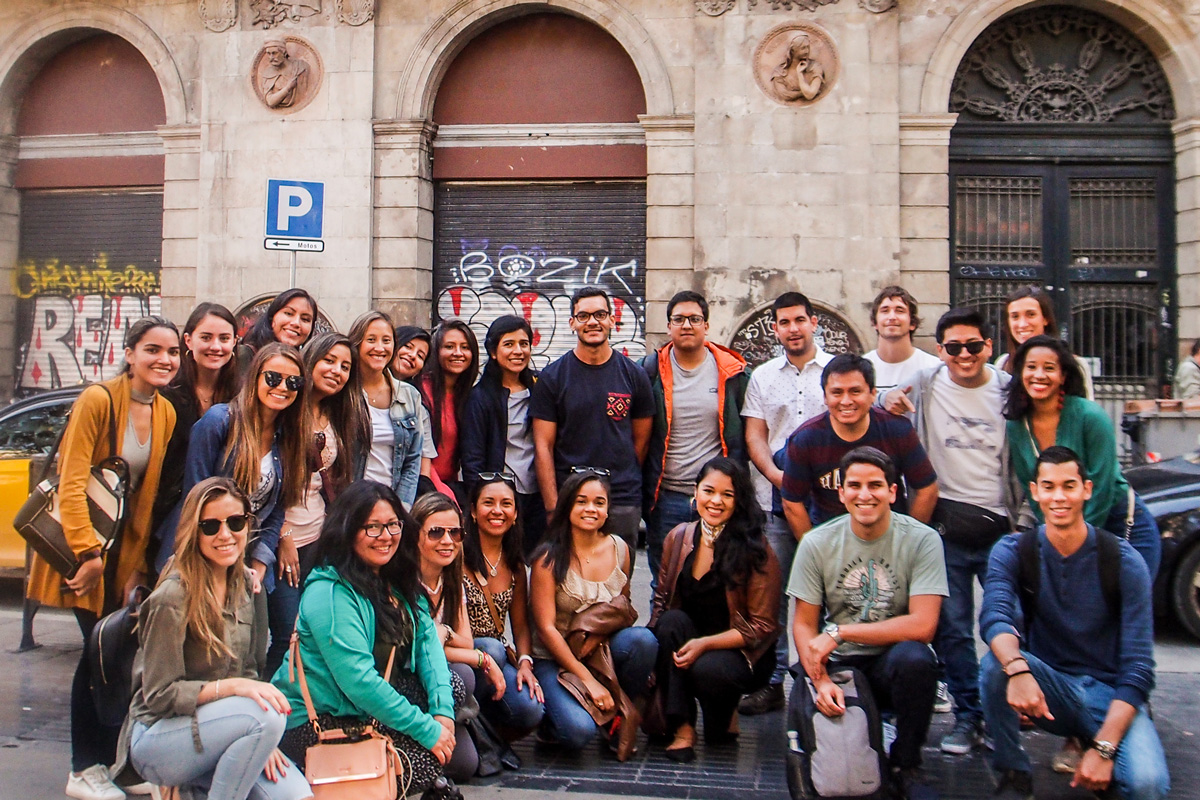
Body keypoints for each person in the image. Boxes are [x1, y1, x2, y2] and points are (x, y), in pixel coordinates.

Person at [27, 317, 180, 800]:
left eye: (172, 352)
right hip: (83, 551)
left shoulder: (165, 413)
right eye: (153, 349)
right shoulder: (98, 400)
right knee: (96, 657)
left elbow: (147, 496)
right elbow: (72, 482)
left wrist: (134, 566)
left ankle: (119, 767)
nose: (164, 360)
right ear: (131, 353)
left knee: (117, 658)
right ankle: (82, 769)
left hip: (122, 558)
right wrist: (88, 556)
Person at [979, 447, 1168, 800]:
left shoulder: (1124, 562)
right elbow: (994, 616)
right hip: (1048, 688)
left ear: (1087, 489)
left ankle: (1105, 771)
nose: (1059, 497)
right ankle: (1013, 775)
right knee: (995, 666)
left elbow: (1138, 668)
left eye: (1069, 486)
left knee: (1148, 785)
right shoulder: (1013, 550)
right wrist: (1018, 670)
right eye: (1048, 487)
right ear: (1034, 492)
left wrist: (1105, 749)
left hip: (1108, 694)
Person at [112, 478, 312, 800]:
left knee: (297, 795)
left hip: (227, 728)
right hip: (159, 736)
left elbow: (250, 671)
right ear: (194, 530)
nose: (225, 535)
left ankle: (192, 789)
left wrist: (262, 739)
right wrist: (238, 697)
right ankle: (182, 783)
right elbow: (160, 695)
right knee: (266, 716)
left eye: (235, 522)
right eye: (210, 526)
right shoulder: (172, 597)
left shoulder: (249, 586)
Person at [879, 308, 1023, 756]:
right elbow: (882, 403)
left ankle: (1006, 718)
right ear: (939, 351)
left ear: (989, 347)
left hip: (1002, 524)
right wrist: (887, 404)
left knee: (1008, 625)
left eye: (974, 346)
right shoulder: (926, 385)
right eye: (954, 347)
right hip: (945, 526)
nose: (965, 355)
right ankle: (968, 717)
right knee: (954, 628)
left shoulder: (1008, 390)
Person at [272, 480, 462, 796]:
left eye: (392, 525)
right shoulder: (329, 592)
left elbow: (428, 642)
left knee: (453, 686)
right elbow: (359, 681)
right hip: (316, 718)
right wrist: (428, 731)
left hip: (362, 707)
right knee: (427, 761)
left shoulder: (394, 577)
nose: (385, 536)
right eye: (372, 528)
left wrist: (442, 713)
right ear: (347, 530)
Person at [789, 447, 946, 800]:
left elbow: (924, 625)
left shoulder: (923, 540)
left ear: (893, 491)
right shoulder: (816, 543)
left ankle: (907, 764)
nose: (864, 494)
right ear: (841, 493)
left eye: (875, 485)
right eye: (854, 486)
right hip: (842, 663)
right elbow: (803, 624)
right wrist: (820, 678)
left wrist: (841, 631)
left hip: (892, 658)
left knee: (917, 660)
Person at [649, 458, 780, 762]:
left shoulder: (755, 547)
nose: (716, 501)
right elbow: (661, 600)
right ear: (695, 492)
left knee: (710, 678)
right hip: (690, 638)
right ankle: (683, 728)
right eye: (709, 491)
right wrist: (653, 651)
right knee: (669, 623)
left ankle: (725, 709)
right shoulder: (678, 537)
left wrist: (704, 644)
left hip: (742, 651)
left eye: (728, 494)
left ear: (739, 501)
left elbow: (762, 627)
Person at [739, 290, 833, 715]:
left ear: (814, 323)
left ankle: (826, 679)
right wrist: (779, 477)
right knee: (774, 595)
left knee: (831, 591)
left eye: (799, 320)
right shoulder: (762, 377)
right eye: (784, 322)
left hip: (830, 505)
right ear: (774, 328)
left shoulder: (835, 371)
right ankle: (775, 681)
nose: (792, 329)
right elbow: (756, 436)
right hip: (774, 500)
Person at [1003, 335, 1161, 578]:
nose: (1039, 375)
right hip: (1063, 528)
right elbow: (1033, 491)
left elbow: (1101, 487)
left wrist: (1076, 542)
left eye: (1049, 368)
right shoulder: (1016, 425)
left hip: (1118, 522)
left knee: (1126, 608)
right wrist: (1055, 537)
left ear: (1063, 376)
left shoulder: (1090, 416)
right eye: (1031, 367)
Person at [529, 471, 658, 753]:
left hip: (600, 652)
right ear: (567, 507)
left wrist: (596, 660)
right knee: (578, 732)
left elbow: (620, 612)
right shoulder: (547, 558)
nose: (591, 509)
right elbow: (546, 630)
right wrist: (587, 680)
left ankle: (617, 715)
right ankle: (554, 721)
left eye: (599, 502)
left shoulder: (620, 549)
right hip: (554, 659)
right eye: (581, 501)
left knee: (643, 642)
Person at [265, 332, 370, 677]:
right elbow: (259, 483)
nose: (337, 371)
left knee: (312, 635)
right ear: (310, 359)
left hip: (320, 539)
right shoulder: (283, 409)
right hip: (281, 541)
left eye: (345, 366)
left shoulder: (338, 415)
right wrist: (281, 536)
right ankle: (274, 716)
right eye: (329, 360)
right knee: (285, 634)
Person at [531, 288, 655, 557]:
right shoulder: (553, 378)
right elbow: (543, 446)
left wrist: (622, 472)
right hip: (570, 500)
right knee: (568, 587)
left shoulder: (635, 376)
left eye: (600, 314)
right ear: (572, 323)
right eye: (584, 315)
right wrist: (554, 507)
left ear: (612, 320)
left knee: (618, 588)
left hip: (621, 499)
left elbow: (641, 440)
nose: (592, 322)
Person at [182, 343, 310, 600]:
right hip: (201, 556)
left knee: (268, 633)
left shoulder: (290, 438)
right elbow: (194, 499)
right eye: (273, 378)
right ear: (255, 378)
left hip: (248, 553)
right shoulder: (219, 421)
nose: (283, 388)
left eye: (293, 382)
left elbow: (276, 511)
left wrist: (260, 564)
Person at [642, 291, 749, 596]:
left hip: (718, 500)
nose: (686, 325)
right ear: (669, 327)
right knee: (665, 586)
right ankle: (665, 643)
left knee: (722, 584)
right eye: (679, 319)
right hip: (666, 498)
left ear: (706, 325)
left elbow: (748, 432)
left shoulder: (732, 374)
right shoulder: (648, 371)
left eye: (694, 319)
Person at [780, 354, 938, 535]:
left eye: (855, 391)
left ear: (872, 394)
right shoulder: (805, 440)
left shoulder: (897, 430)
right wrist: (814, 550)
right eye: (837, 392)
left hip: (890, 537)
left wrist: (909, 541)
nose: (846, 401)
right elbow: (792, 502)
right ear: (825, 396)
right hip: (831, 539)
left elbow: (927, 489)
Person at [152, 302, 240, 574]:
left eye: (224, 339)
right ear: (188, 340)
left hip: (220, 528)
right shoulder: (167, 396)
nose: (216, 346)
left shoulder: (240, 398)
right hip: (168, 523)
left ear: (235, 342)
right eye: (206, 337)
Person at [462, 475, 546, 735]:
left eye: (506, 504)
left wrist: (524, 663)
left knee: (531, 708)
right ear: (474, 512)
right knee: (492, 648)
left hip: (497, 656)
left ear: (516, 513)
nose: (497, 511)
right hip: (463, 654)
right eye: (488, 503)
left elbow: (520, 626)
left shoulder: (516, 565)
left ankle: (488, 724)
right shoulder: (456, 554)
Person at [410, 493, 485, 779]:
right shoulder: (403, 582)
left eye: (455, 532)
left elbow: (465, 640)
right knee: (466, 673)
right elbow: (420, 651)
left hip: (441, 675)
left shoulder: (451, 578)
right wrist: (479, 658)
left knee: (465, 766)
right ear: (416, 535)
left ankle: (461, 723)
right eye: (436, 532)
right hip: (412, 674)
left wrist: (444, 633)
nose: (447, 541)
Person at [460, 315, 546, 555]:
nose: (518, 351)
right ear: (494, 351)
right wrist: (480, 501)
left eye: (524, 343)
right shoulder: (480, 398)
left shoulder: (540, 389)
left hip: (537, 496)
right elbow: (472, 458)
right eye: (509, 344)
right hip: (501, 497)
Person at [350, 311, 430, 507]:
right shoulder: (344, 393)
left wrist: (401, 507)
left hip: (391, 504)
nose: (380, 348)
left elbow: (412, 461)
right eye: (371, 339)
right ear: (357, 342)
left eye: (386, 340)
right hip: (349, 504)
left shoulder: (409, 396)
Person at [995, 286, 1094, 398]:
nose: (1022, 324)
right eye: (1015, 316)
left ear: (1046, 319)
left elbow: (1087, 411)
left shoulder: (1076, 364)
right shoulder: (1003, 363)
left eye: (1031, 314)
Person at [421, 320, 480, 493]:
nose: (458, 353)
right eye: (449, 346)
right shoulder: (421, 391)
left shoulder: (468, 396)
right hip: (426, 486)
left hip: (452, 486)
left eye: (465, 347)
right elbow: (419, 453)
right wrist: (442, 492)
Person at [862, 286, 941, 394]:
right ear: (875, 322)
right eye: (885, 311)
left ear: (912, 323)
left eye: (900, 311)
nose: (892, 317)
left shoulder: (933, 368)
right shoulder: (860, 369)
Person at [240, 289, 318, 355]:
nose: (296, 323)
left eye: (305, 319)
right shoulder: (243, 356)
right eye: (289, 313)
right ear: (272, 316)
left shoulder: (305, 367)